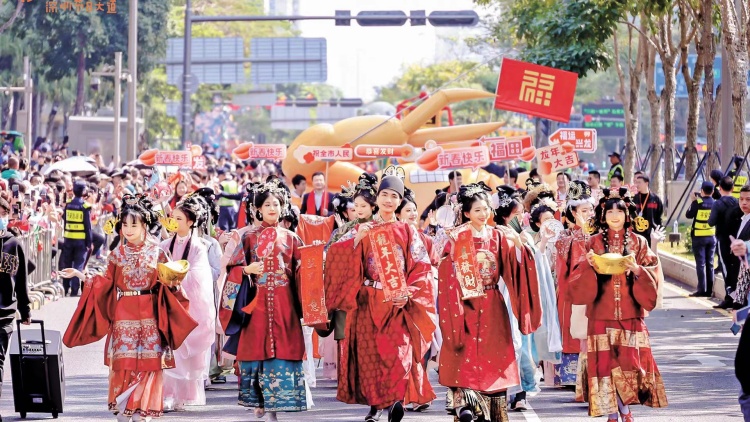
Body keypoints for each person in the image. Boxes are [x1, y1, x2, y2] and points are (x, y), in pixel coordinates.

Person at [62, 194, 198, 421]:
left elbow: (170, 283)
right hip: (123, 313)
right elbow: (104, 283)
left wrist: (174, 284)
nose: (128, 229)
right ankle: (125, 405)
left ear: (145, 225)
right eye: (124, 225)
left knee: (149, 364)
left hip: (150, 314)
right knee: (124, 362)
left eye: (134, 224)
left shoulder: (158, 253)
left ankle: (140, 407)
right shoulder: (116, 255)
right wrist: (80, 274)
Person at [324, 166, 436, 422]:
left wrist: (409, 292)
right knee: (370, 357)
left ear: (400, 201)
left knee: (398, 355)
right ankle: (375, 406)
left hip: (398, 303)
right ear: (378, 197)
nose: (388, 200)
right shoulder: (363, 229)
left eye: (394, 196)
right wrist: (354, 243)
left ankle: (394, 402)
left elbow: (421, 267)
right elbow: (335, 257)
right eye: (385, 194)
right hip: (367, 302)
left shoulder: (408, 232)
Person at [437, 182, 541, 422]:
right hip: (464, 306)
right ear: (465, 213)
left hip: (493, 304)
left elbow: (517, 266)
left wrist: (518, 244)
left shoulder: (498, 235)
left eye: (485, 209)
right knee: (465, 357)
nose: (483, 214)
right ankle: (467, 406)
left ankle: (487, 411)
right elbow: (443, 271)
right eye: (477, 210)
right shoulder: (456, 238)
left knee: (492, 359)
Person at [570, 187, 668, 421]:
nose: (615, 215)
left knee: (630, 365)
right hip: (600, 316)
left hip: (630, 315)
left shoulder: (639, 243)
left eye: (620, 211)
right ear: (602, 216)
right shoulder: (592, 243)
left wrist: (637, 270)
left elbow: (653, 273)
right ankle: (615, 413)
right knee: (604, 368)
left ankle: (624, 408)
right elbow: (575, 280)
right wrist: (589, 266)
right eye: (610, 211)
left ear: (627, 214)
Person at [222, 179, 308, 421]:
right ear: (258, 209)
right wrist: (246, 270)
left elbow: (302, 272)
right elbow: (232, 268)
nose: (272, 208)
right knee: (257, 353)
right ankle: (260, 400)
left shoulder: (291, 238)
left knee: (280, 353)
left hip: (284, 304)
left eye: (277, 204)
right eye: (267, 204)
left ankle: (273, 408)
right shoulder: (247, 237)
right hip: (256, 306)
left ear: (282, 208)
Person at [160, 195, 216, 410]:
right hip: (168, 304)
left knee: (185, 351)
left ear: (191, 222)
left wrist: (176, 277)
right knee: (169, 350)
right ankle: (166, 394)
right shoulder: (164, 244)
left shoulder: (199, 247)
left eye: (179, 219)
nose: (174, 222)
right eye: (172, 218)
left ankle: (182, 396)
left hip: (187, 305)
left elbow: (199, 277)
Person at [0, 196, 32, 421]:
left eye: (1, 213)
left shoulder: (13, 244)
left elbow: (21, 280)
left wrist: (25, 309)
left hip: (3, 313)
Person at [709, 176, 742, 309]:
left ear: (719, 188)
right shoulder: (737, 202)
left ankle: (730, 298)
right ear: (733, 188)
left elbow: (711, 221)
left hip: (723, 239)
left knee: (726, 268)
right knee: (736, 268)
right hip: (738, 239)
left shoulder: (717, 203)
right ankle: (736, 297)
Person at [59, 180, 92, 297]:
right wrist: (89, 242)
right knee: (78, 265)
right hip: (81, 240)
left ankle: (65, 287)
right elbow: (88, 226)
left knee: (67, 264)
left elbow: (65, 220)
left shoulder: (68, 204)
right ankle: (74, 290)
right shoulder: (85, 206)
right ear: (84, 191)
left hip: (68, 239)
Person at [685, 181, 717, 297]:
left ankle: (701, 290)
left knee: (701, 263)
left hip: (699, 237)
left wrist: (693, 201)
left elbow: (688, 215)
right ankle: (709, 290)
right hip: (711, 236)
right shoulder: (715, 203)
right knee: (710, 263)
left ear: (702, 191)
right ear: (713, 192)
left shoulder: (698, 202)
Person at [633, 174, 664, 244]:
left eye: (639, 182)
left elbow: (659, 216)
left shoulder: (655, 199)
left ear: (646, 183)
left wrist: (659, 232)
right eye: (636, 182)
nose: (637, 184)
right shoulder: (634, 199)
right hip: (637, 233)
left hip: (650, 233)